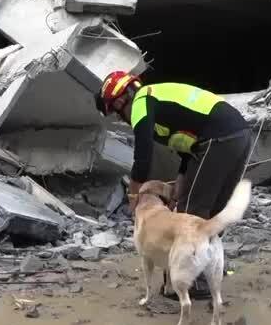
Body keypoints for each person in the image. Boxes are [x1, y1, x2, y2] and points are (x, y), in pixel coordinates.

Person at [95, 71, 252, 298]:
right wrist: (181, 178)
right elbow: (189, 143)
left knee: (191, 211)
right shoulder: (160, 100)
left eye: (118, 114)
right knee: (215, 209)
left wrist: (134, 196)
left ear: (120, 101)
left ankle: (192, 282)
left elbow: (142, 156)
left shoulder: (141, 102)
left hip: (217, 139)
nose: (122, 120)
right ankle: (206, 272)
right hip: (238, 135)